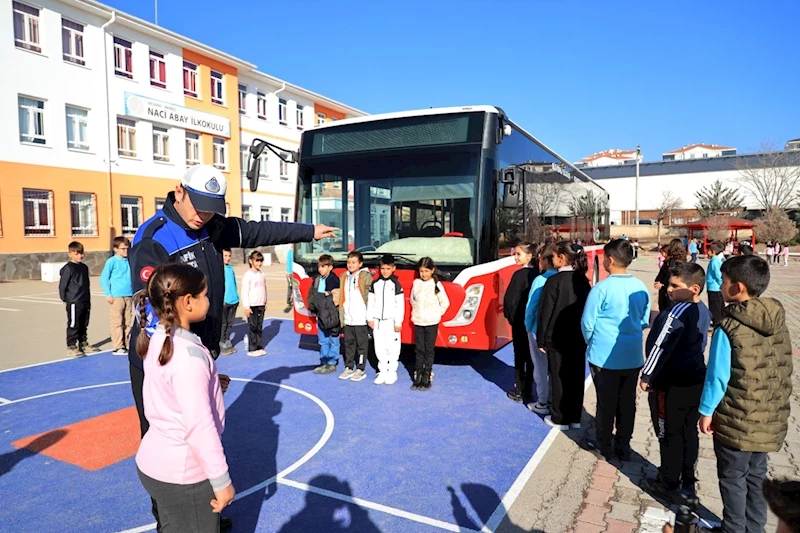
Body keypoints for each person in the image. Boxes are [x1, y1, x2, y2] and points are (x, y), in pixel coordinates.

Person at [128, 165, 335, 532]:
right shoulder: (154, 237)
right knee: (170, 433)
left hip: (196, 352)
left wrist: (309, 231)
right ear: (179, 192)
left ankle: (205, 510)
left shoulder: (213, 225)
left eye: (212, 208)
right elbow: (151, 308)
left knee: (204, 432)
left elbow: (260, 229)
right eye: (198, 205)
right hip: (162, 355)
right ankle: (172, 518)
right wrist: (188, 366)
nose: (203, 215)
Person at [134, 263, 234, 533]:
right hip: (184, 473)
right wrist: (222, 481)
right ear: (188, 302)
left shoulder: (160, 338)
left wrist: (211, 386)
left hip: (156, 463)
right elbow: (200, 428)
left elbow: (170, 390)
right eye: (205, 295)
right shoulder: (189, 357)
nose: (209, 301)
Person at [699, 255, 793, 533]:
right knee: (756, 475)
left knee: (732, 478)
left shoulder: (728, 327)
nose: (720, 284)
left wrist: (706, 411)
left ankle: (733, 528)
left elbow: (717, 376)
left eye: (724, 281)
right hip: (769, 419)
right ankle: (755, 527)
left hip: (737, 420)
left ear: (737, 287)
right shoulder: (778, 321)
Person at [640, 262, 712, 502]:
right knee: (688, 432)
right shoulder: (703, 310)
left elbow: (660, 346)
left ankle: (668, 481)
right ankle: (687, 479)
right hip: (695, 381)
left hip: (670, 385)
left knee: (668, 432)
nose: (668, 290)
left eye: (674, 285)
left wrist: (647, 376)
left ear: (694, 288)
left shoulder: (675, 313)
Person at [582, 239, 651, 460]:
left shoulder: (601, 288)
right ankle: (623, 445)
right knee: (627, 402)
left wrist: (592, 342)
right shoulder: (640, 287)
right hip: (632, 356)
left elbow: (588, 323)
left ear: (609, 260)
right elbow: (643, 320)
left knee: (606, 402)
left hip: (604, 357)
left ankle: (603, 444)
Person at [537, 241, 592, 430]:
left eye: (553, 256)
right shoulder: (583, 280)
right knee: (576, 377)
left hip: (557, 337)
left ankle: (560, 418)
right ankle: (575, 418)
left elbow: (545, 313)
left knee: (558, 378)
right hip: (578, 337)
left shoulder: (553, 281)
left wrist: (541, 338)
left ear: (561, 258)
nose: (551, 260)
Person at [503, 242, 539, 404]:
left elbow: (509, 300)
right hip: (533, 323)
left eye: (519, 254)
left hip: (519, 322)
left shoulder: (518, 275)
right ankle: (530, 390)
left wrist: (510, 318)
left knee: (520, 356)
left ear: (529, 256)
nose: (515, 257)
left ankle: (519, 389)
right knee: (531, 356)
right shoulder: (538, 274)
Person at [524, 243, 558, 415]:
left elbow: (532, 307)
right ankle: (555, 401)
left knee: (540, 366)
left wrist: (528, 326)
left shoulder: (541, 280)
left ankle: (542, 401)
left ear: (544, 260)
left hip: (538, 330)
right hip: (557, 330)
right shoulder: (562, 278)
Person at [410, 257, 450, 391]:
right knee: (419, 349)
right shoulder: (416, 283)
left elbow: (445, 303)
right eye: (421, 271)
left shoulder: (436, 285)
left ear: (432, 270)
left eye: (426, 271)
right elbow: (412, 300)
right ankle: (418, 374)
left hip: (432, 322)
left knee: (429, 349)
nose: (424, 274)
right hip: (418, 321)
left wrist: (436, 314)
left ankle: (427, 374)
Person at [367, 254, 405, 385]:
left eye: (388, 269)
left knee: (392, 347)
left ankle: (391, 372)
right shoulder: (375, 284)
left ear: (393, 268)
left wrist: (398, 322)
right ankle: (382, 371)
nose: (385, 271)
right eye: (383, 268)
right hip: (377, 321)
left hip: (391, 321)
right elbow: (371, 302)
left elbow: (400, 305)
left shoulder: (396, 285)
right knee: (379, 347)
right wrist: (370, 318)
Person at [59, 241, 99, 357]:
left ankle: (83, 343)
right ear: (70, 254)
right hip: (73, 301)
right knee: (73, 324)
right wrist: (64, 298)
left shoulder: (84, 268)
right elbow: (63, 285)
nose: (79, 256)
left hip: (85, 300)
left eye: (81, 253)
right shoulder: (68, 268)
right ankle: (71, 346)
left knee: (83, 323)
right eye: (76, 253)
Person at [338, 251, 373, 382]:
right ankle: (349, 367)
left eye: (354, 262)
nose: (350, 265)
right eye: (349, 262)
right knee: (348, 344)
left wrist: (369, 316)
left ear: (360, 264)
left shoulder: (365, 276)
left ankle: (360, 368)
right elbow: (342, 297)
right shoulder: (344, 277)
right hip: (348, 318)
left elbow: (370, 297)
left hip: (361, 318)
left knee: (362, 345)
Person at [307, 254, 340, 375]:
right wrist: (312, 307)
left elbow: (336, 298)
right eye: (319, 266)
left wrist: (327, 297)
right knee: (322, 340)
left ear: (330, 267)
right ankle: (324, 361)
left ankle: (332, 362)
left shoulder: (334, 280)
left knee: (333, 339)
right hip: (320, 315)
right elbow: (312, 295)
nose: (320, 269)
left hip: (331, 315)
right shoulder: (316, 279)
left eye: (323, 266)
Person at [100, 236, 134, 356]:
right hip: (117, 296)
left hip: (129, 295)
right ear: (115, 249)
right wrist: (108, 294)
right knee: (117, 322)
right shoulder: (111, 262)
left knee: (128, 321)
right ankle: (118, 346)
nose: (126, 251)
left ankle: (128, 344)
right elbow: (104, 279)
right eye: (123, 248)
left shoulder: (130, 260)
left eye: (127, 248)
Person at [241, 250, 267, 357]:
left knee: (259, 327)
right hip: (252, 305)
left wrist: (265, 302)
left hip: (260, 304)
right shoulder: (248, 275)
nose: (259, 263)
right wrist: (246, 307)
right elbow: (244, 291)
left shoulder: (262, 274)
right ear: (251, 261)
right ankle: (252, 349)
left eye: (260, 261)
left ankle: (259, 347)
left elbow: (264, 288)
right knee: (252, 327)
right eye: (257, 261)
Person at [655, 239, 687, 312]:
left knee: (667, 309)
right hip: (677, 289)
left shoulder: (672, 261)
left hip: (668, 289)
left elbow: (670, 274)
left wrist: (662, 284)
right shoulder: (682, 260)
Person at [219, 248, 238, 355]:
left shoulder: (231, 268)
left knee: (230, 323)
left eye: (229, 256)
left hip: (234, 300)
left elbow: (234, 283)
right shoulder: (219, 268)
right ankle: (221, 342)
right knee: (223, 323)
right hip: (224, 301)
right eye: (225, 256)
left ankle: (227, 340)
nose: (227, 258)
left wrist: (237, 296)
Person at [706, 241, 725, 328]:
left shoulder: (715, 261)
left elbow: (718, 275)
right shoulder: (715, 260)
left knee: (715, 308)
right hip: (714, 287)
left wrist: (722, 284)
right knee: (717, 306)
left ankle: (717, 324)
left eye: (708, 250)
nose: (707, 252)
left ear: (713, 251)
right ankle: (718, 321)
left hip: (715, 288)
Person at [285, 246, 294, 313]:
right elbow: (288, 262)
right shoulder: (290, 252)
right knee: (290, 286)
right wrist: (288, 272)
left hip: (294, 272)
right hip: (290, 273)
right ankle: (288, 300)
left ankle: (291, 299)